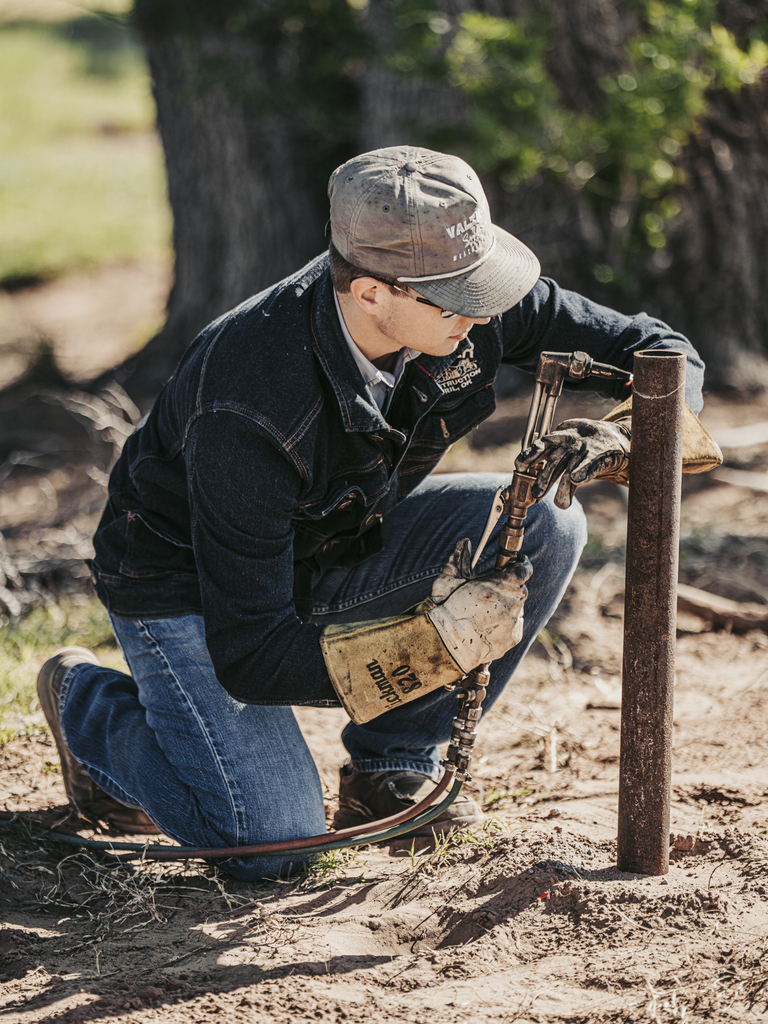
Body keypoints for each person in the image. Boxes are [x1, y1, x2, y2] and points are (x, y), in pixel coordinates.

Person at [37, 146, 710, 879]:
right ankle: (90, 708)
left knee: (553, 521)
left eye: (484, 285)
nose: (482, 311)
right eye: (457, 297)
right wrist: (434, 644)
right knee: (274, 847)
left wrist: (631, 433)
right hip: (193, 591)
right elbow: (253, 656)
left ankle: (391, 764)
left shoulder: (461, 303)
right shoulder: (247, 404)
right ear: (369, 294)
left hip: (334, 538)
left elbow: (659, 348)